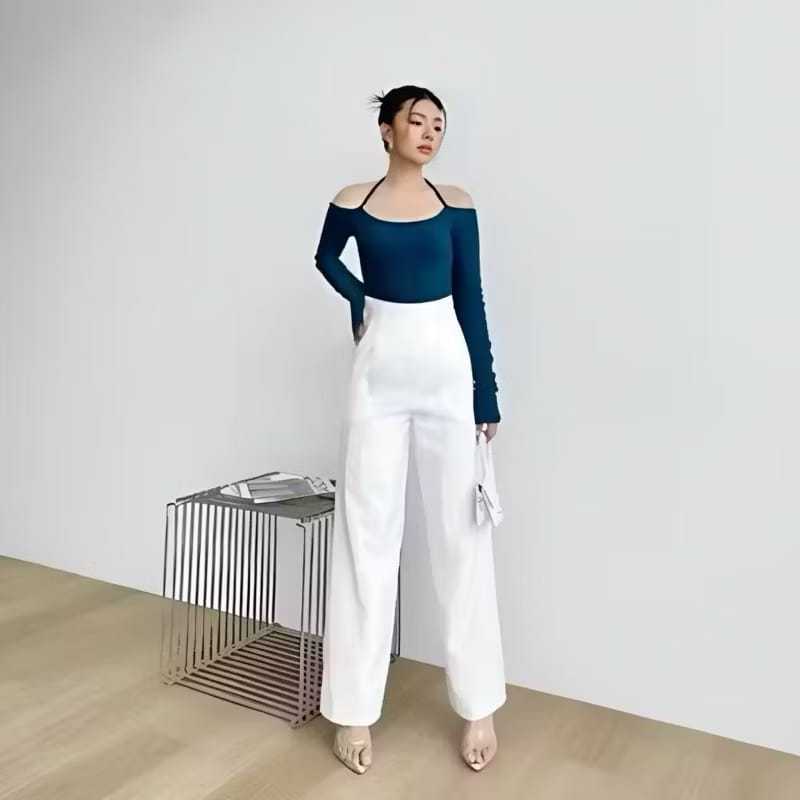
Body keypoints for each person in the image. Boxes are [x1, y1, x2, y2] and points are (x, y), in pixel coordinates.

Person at [313, 85, 506, 775]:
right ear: (386, 130)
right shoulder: (352, 201)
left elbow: (471, 298)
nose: (429, 133)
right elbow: (325, 258)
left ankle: (478, 704)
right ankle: (353, 708)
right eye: (416, 121)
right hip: (378, 377)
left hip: (447, 374)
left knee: (462, 536)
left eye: (438, 125)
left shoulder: (457, 205)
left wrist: (487, 393)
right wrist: (359, 300)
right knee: (364, 535)